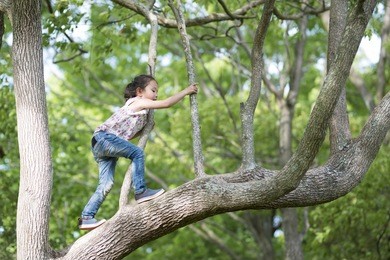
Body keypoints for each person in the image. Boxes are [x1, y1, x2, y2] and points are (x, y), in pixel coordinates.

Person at [78, 74, 198, 230]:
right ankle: (141, 191)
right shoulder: (138, 102)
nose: (156, 95)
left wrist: (143, 131)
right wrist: (187, 91)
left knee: (106, 184)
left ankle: (87, 217)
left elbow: (126, 135)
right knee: (137, 153)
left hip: (100, 144)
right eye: (153, 90)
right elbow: (167, 103)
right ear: (140, 91)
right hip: (104, 138)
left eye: (157, 92)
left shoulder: (141, 111)